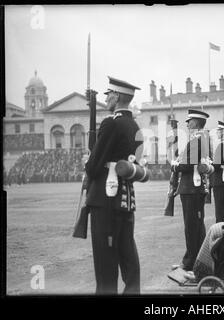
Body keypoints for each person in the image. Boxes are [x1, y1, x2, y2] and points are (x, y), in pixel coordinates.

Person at [85, 76, 143, 294]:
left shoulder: (111, 123)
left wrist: (89, 160)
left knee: (105, 263)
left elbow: (93, 167)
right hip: (126, 197)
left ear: (117, 96)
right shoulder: (134, 125)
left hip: (106, 199)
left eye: (108, 93)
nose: (107, 97)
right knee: (127, 254)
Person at [171, 109, 212, 272]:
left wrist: (175, 165)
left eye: (189, 121)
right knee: (196, 225)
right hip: (193, 187)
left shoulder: (198, 140)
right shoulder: (199, 139)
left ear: (196, 122)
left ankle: (190, 262)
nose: (187, 124)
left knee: (191, 226)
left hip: (191, 188)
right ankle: (198, 260)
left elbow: (187, 165)